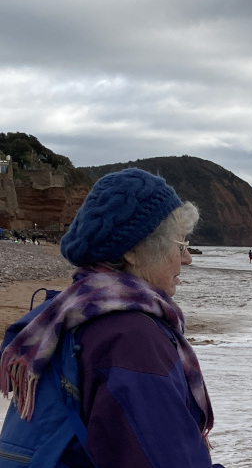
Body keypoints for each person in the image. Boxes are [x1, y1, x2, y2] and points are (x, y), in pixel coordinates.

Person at [0, 168, 224, 467]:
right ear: (132, 250)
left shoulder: (67, 311)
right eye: (180, 246)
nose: (187, 258)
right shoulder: (129, 336)